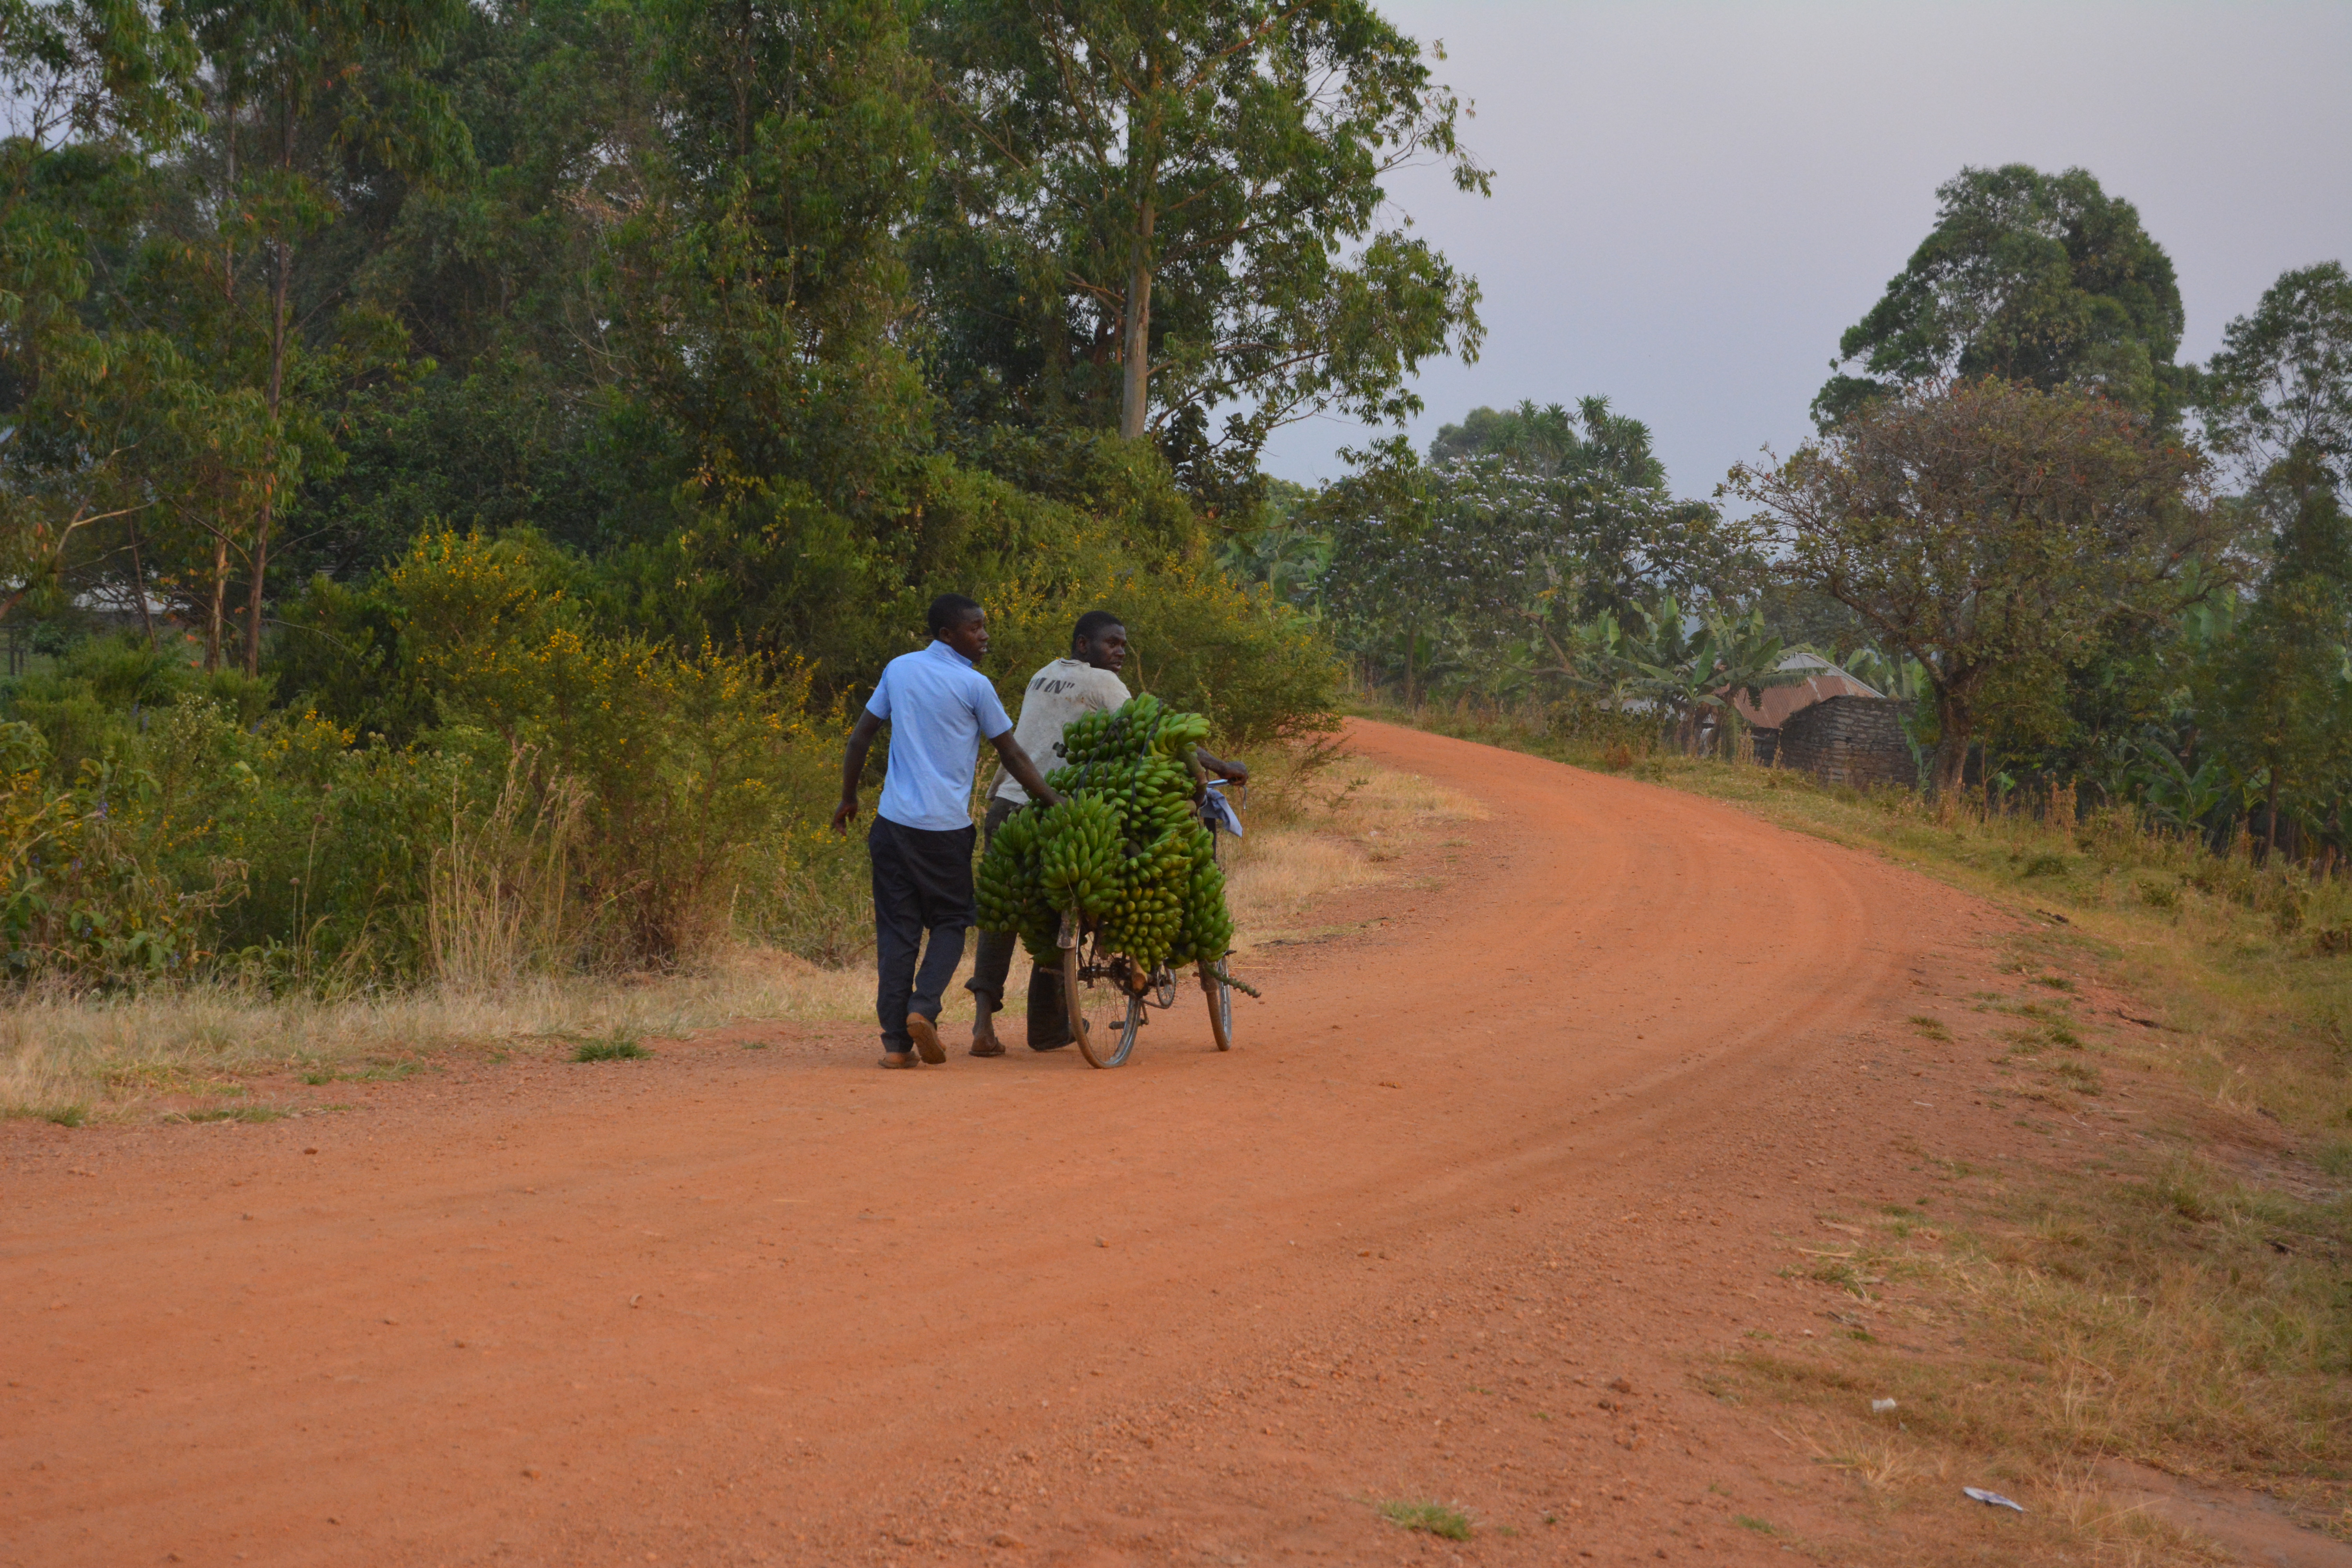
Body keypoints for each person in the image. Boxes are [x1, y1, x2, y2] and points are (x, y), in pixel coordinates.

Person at [965, 610, 1247, 1057]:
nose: (1119, 652)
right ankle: (1052, 1021)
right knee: (1069, 900)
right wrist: (1220, 767)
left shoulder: (1045, 674)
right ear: (1083, 645)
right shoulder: (1104, 685)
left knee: (1004, 918)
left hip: (1006, 804)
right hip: (1055, 807)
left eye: (1123, 645)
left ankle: (987, 1025)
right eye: (1111, 643)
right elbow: (1157, 731)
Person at [833, 594, 1060, 1070]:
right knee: (953, 923)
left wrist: (849, 796)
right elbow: (1013, 756)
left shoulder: (899, 669)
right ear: (946, 635)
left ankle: (896, 1045)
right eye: (976, 628)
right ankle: (923, 1008)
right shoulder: (975, 686)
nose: (985, 635)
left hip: (892, 826)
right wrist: (1055, 801)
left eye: (984, 626)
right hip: (944, 832)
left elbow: (861, 736)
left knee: (898, 932)